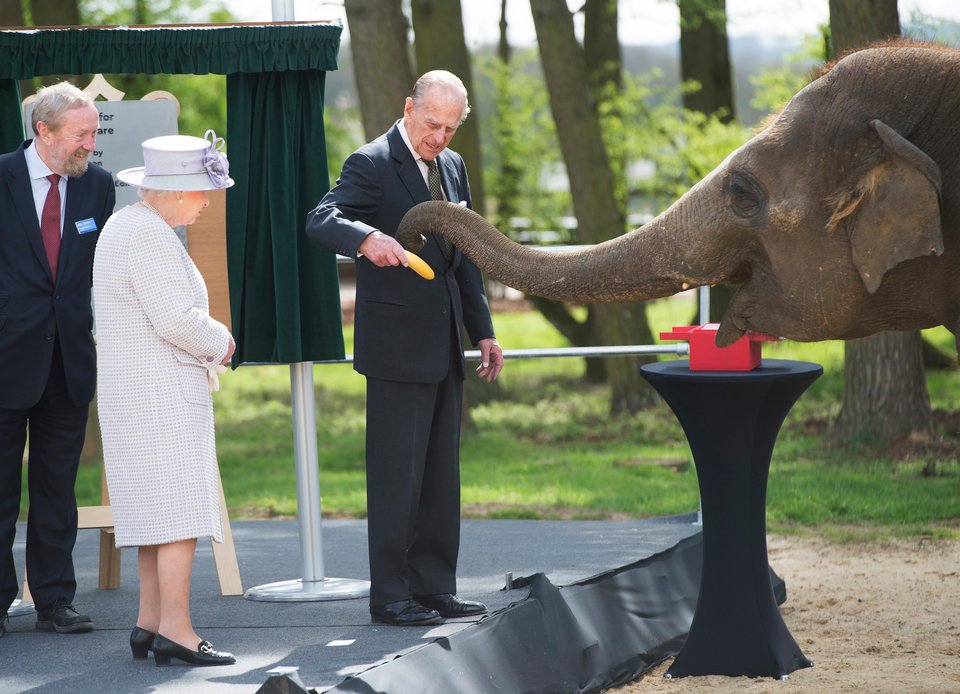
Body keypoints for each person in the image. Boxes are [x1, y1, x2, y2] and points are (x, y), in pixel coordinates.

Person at [306, 70, 504, 627]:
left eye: (451, 128)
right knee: (398, 478)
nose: (439, 138)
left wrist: (482, 330)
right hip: (395, 350)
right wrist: (367, 239)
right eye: (432, 124)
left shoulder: (454, 166)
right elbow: (321, 219)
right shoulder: (370, 162)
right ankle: (390, 596)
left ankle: (436, 587)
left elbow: (462, 254)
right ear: (408, 106)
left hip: (444, 347)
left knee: (442, 476)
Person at [92, 131, 236, 666]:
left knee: (157, 512)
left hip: (138, 391)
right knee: (179, 512)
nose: (206, 201)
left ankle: (150, 622)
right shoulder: (148, 234)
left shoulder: (125, 225)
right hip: (158, 394)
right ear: (176, 191)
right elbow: (175, 318)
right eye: (202, 190)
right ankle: (176, 628)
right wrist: (223, 341)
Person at [0, 81, 116, 637]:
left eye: (94, 132)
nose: (91, 145)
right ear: (42, 131)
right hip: (4, 358)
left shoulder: (97, 187)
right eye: (81, 134)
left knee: (56, 490)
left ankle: (55, 600)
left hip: (68, 363)